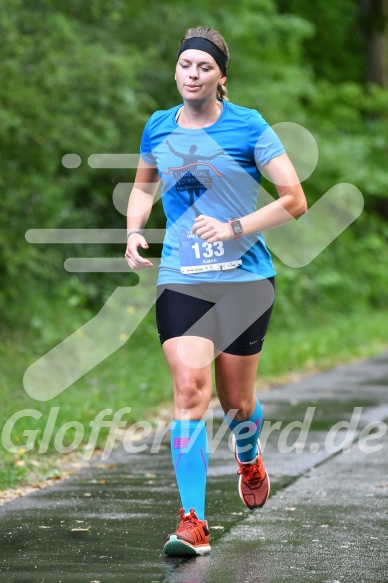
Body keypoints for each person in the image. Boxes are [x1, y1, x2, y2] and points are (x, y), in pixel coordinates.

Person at [125, 26, 307, 557]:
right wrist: (135, 228)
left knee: (237, 401)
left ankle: (248, 454)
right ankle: (193, 522)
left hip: (245, 281)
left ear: (220, 77)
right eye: (185, 66)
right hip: (183, 277)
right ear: (176, 72)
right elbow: (142, 186)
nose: (193, 75)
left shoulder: (249, 126)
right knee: (188, 390)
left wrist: (235, 228)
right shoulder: (159, 128)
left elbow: (294, 199)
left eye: (204, 67)